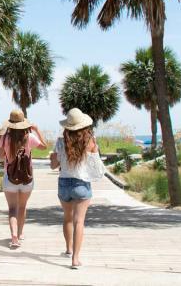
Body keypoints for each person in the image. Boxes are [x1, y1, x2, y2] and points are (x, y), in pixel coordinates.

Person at [50, 108, 106, 269]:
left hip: (64, 184)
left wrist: (53, 158)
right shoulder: (90, 141)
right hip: (81, 184)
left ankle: (68, 249)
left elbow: (54, 166)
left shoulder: (61, 142)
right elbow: (98, 168)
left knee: (67, 218)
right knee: (79, 221)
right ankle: (75, 258)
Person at [0, 109, 46, 249]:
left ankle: (14, 237)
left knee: (12, 209)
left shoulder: (6, 138)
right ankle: (21, 232)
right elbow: (44, 147)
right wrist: (36, 129)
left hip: (9, 178)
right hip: (27, 178)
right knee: (22, 207)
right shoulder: (29, 137)